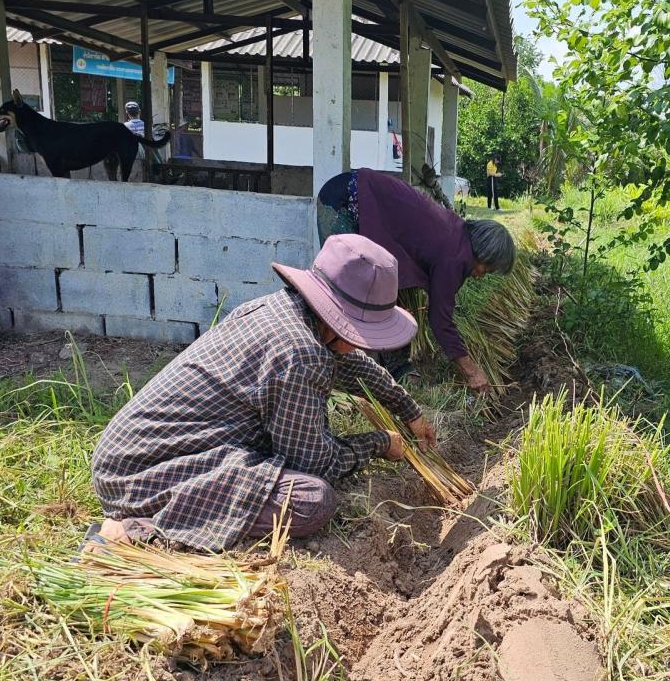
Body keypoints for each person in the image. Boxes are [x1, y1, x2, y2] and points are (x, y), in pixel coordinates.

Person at [88, 234, 437, 552]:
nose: (364, 344)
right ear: (335, 321)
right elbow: (316, 463)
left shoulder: (286, 311)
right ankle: (131, 531)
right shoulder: (300, 353)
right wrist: (378, 444)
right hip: (144, 473)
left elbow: (351, 364)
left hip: (123, 453)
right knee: (311, 500)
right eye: (363, 332)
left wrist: (409, 412)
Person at [315, 168, 515, 392]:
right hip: (345, 200)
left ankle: (395, 368)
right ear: (482, 253)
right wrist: (472, 370)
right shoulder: (456, 257)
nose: (480, 276)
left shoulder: (457, 234)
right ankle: (332, 372)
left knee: (383, 296)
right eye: (485, 269)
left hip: (352, 190)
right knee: (346, 294)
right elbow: (440, 320)